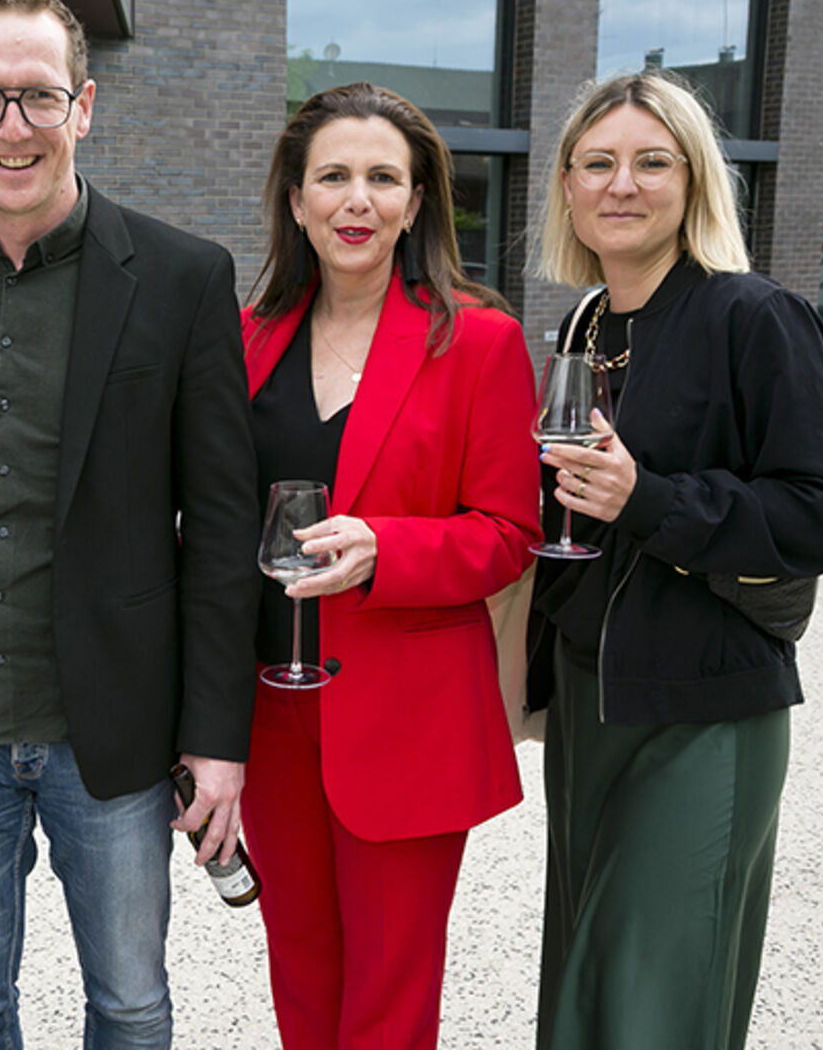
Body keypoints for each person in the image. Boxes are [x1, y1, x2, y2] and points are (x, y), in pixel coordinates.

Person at [0, 0, 260, 1047]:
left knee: (130, 1003)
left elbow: (222, 528)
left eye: (38, 96)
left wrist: (215, 738)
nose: (13, 127)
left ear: (83, 107)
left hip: (115, 733)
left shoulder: (181, 278)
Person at [529, 70, 823, 1050]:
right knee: (584, 981)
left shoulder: (754, 316)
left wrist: (651, 500)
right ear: (565, 185)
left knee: (653, 1001)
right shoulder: (586, 324)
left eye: (650, 162)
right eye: (596, 163)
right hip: (590, 699)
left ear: (693, 180)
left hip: (708, 705)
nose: (620, 184)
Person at [238, 83, 541, 1049]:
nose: (356, 200)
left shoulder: (479, 342)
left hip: (407, 715)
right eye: (332, 177)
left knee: (388, 998)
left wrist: (385, 549)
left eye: (382, 178)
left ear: (415, 204)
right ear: (296, 200)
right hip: (269, 711)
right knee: (300, 977)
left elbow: (507, 533)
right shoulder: (245, 341)